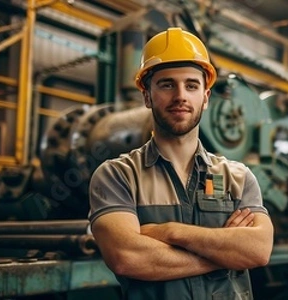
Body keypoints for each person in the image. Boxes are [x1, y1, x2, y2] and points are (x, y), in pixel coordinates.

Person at [88, 27, 274, 299]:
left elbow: (258, 250)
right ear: (147, 96)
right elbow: (126, 257)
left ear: (206, 97)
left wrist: (170, 232)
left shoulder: (238, 177)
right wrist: (227, 255)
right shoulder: (118, 176)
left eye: (191, 85)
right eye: (166, 84)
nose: (180, 96)